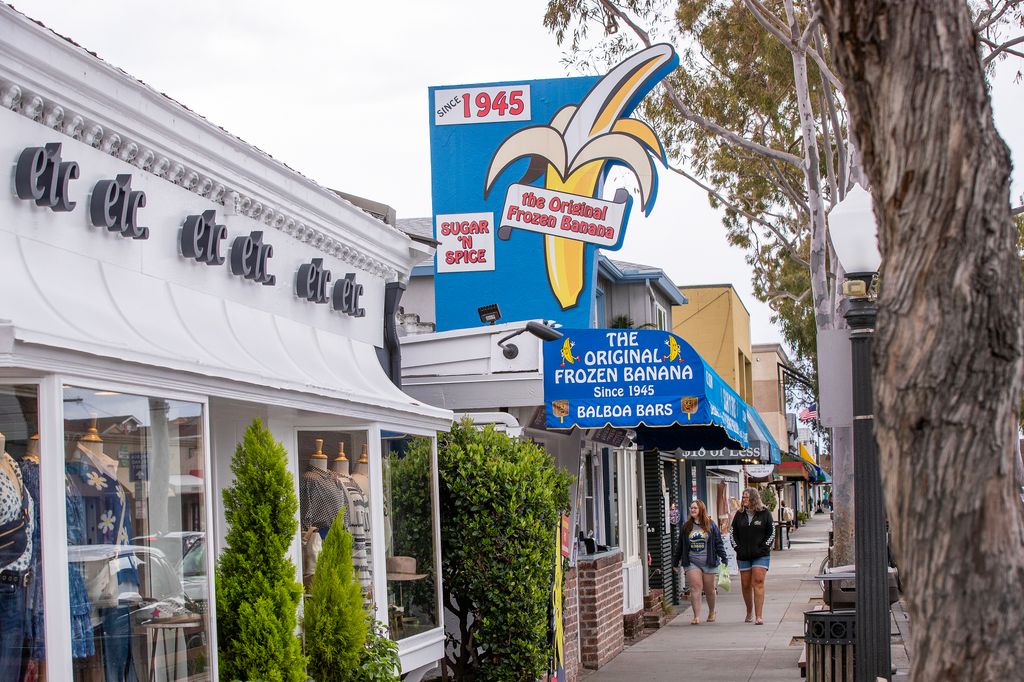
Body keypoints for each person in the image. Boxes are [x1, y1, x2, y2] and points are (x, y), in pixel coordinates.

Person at [672, 499, 727, 625]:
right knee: (695, 588)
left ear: (701, 509)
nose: (692, 510)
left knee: (710, 590)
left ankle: (712, 611)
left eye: (695, 508)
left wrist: (724, 558)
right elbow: (680, 545)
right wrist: (675, 562)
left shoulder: (711, 525)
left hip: (709, 562)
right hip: (692, 562)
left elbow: (718, 543)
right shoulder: (686, 527)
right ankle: (696, 616)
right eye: (691, 508)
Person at [731, 488, 775, 625]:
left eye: (746, 497)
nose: (743, 499)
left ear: (753, 499)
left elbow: (771, 533)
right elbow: (733, 534)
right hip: (743, 555)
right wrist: (738, 548)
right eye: (743, 497)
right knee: (745, 585)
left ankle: (759, 616)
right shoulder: (739, 515)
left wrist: (763, 548)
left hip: (761, 555)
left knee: (758, 582)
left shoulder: (765, 514)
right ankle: (749, 611)